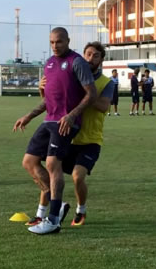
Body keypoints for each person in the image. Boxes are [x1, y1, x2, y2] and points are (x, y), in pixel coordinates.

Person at [13, 27, 97, 235]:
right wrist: (29, 116)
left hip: (66, 122)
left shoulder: (77, 62)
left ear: (68, 41)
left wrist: (72, 115)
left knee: (52, 163)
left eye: (59, 42)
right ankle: (56, 204)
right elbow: (48, 100)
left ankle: (52, 220)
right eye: (51, 42)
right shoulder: (49, 64)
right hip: (48, 120)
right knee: (29, 162)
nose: (55, 46)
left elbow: (91, 94)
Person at [28, 41, 114, 227]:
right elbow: (55, 105)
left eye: (96, 55)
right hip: (67, 134)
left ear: (102, 60)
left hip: (89, 140)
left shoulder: (107, 83)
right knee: (50, 169)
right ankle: (41, 213)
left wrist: (86, 93)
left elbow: (103, 106)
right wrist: (43, 89)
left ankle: (80, 210)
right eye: (88, 54)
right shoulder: (73, 76)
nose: (91, 59)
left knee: (77, 176)